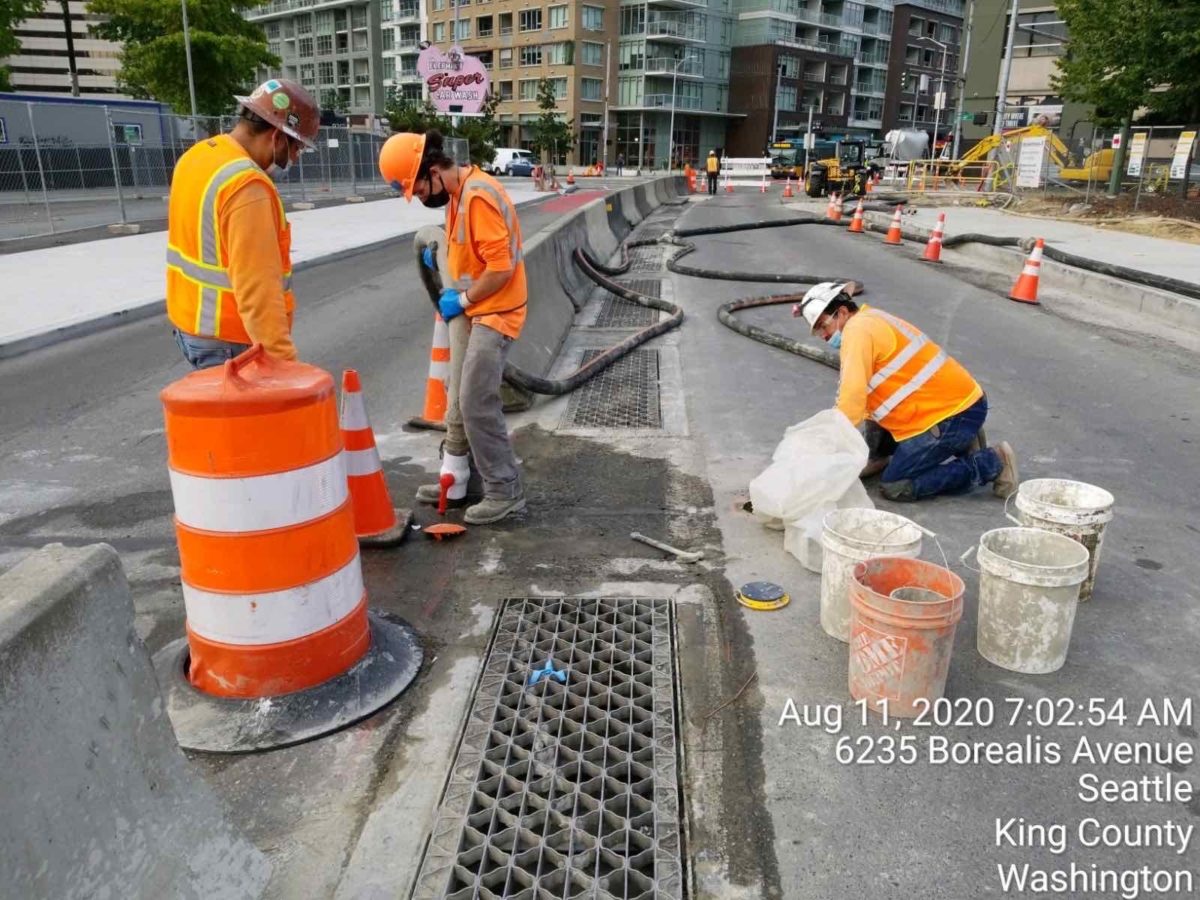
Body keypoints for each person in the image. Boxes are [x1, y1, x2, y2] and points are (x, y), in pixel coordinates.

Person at [378, 130, 527, 525]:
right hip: (481, 308)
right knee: (461, 399)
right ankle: (468, 482)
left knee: (476, 402)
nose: (423, 199)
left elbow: (500, 267)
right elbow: (471, 250)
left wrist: (461, 300)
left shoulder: (477, 195)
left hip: (497, 311)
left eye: (420, 190)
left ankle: (505, 490)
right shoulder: (459, 196)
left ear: (433, 172)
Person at [795, 282, 1019, 502]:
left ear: (842, 312)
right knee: (872, 446)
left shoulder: (857, 332)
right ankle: (956, 442)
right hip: (958, 403)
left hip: (950, 416)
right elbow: (870, 396)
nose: (824, 336)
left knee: (896, 485)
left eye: (824, 327)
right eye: (818, 333)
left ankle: (992, 462)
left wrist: (827, 446)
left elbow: (851, 401)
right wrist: (869, 451)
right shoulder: (869, 318)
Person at [166, 79, 318, 369]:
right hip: (231, 342)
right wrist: (285, 368)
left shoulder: (196, 157)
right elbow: (258, 293)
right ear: (277, 137)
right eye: (296, 147)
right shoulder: (247, 186)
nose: (295, 159)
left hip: (190, 327)